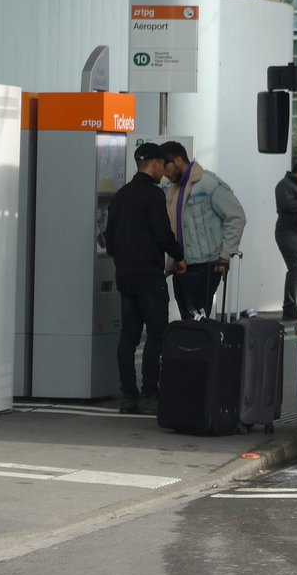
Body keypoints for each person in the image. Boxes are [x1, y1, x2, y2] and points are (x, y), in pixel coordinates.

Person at [103, 142, 186, 414]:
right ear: (153, 164)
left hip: (125, 276)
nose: (164, 170)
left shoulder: (121, 195)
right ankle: (151, 393)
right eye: (162, 165)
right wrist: (179, 255)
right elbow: (162, 233)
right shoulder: (153, 195)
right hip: (150, 276)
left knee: (128, 336)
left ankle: (129, 396)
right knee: (157, 334)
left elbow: (109, 239)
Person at [160, 140, 246, 320]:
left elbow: (236, 216)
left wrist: (225, 254)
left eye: (164, 166)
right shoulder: (172, 189)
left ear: (178, 160)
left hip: (206, 264)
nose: (163, 173)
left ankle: (202, 348)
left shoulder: (207, 183)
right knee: (188, 319)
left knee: (198, 318)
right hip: (181, 264)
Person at [275, 157, 297, 320]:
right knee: (295, 268)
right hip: (288, 233)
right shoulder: (284, 185)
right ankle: (289, 306)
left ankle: (293, 304)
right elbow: (288, 206)